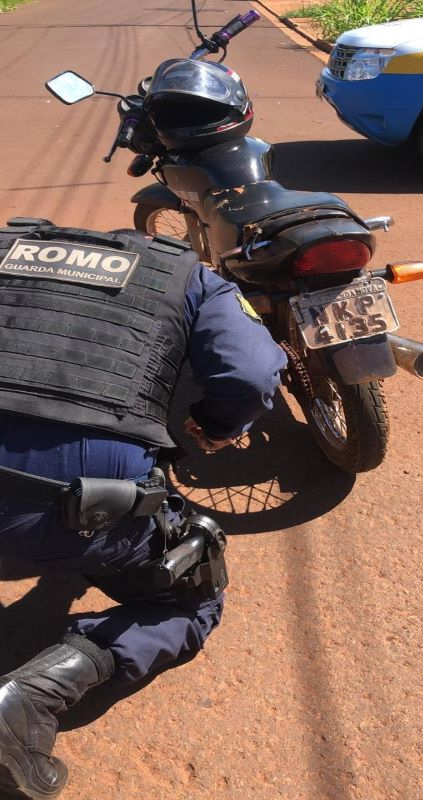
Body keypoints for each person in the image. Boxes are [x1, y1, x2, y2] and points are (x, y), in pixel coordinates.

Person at [0, 218, 287, 799]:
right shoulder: (190, 277)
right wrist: (213, 425)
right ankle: (35, 695)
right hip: (81, 510)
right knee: (191, 596)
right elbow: (253, 374)